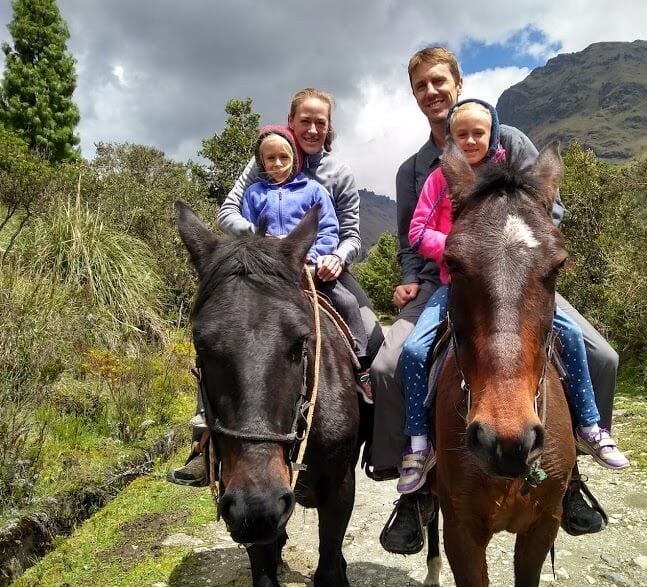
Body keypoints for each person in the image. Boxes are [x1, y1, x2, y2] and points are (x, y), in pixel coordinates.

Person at [373, 47, 619, 554]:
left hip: (519, 277)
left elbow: (552, 210)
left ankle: (570, 476)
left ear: (457, 83)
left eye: (439, 81)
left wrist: (509, 246)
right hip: (441, 282)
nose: (431, 92)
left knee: (601, 355)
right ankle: (414, 488)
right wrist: (409, 278)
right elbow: (408, 236)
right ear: (414, 94)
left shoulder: (511, 141)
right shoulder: (414, 169)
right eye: (421, 85)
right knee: (388, 363)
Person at [395, 99, 627, 496]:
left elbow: (545, 215)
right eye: (460, 134)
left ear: (494, 133)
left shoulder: (517, 158)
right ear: (448, 141)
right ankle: (419, 447)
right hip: (460, 280)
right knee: (414, 351)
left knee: (591, 349)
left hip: (521, 276)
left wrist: (521, 247)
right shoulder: (438, 176)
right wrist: (463, 248)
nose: (469, 140)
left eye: (478, 133)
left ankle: (585, 439)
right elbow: (415, 232)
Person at [167, 88, 383, 487]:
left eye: (321, 122)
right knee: (225, 340)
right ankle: (204, 442)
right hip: (268, 272)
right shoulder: (260, 166)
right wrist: (263, 246)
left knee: (371, 330)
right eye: (306, 120)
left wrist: (333, 257)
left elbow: (347, 232)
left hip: (322, 267)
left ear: (329, 126)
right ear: (291, 121)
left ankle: (376, 429)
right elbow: (229, 212)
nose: (313, 128)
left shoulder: (334, 177)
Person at [241, 124, 373, 396]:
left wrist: (315, 257)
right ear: (261, 161)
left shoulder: (313, 191)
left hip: (309, 269)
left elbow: (328, 230)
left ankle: (362, 367)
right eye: (270, 158)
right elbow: (249, 233)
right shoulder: (253, 194)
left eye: (284, 157)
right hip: (268, 274)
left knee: (347, 302)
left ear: (294, 159)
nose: (277, 164)